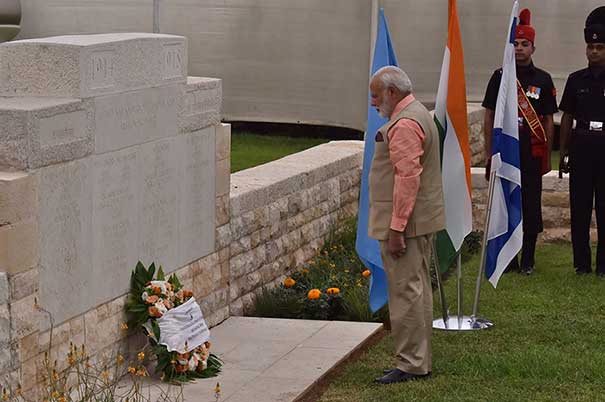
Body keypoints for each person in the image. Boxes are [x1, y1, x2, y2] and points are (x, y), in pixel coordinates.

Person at [367, 66, 445, 385]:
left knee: (405, 292)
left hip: (405, 224)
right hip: (419, 218)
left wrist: (397, 229)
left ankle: (412, 363)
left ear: (392, 92)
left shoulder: (404, 124)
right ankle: (418, 358)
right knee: (416, 289)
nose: (372, 103)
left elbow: (407, 178)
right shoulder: (417, 112)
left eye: (375, 95)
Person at [482, 8, 557, 275]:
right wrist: (490, 152)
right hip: (506, 152)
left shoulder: (543, 80)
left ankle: (528, 259)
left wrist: (546, 154)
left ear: (533, 48)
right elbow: (489, 115)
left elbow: (548, 119)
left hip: (531, 154)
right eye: (515, 43)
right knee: (506, 202)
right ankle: (508, 258)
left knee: (530, 206)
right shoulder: (500, 77)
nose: (520, 49)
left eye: (525, 44)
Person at [558, 6, 605, 277]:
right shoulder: (576, 80)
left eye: (599, 46)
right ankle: (582, 264)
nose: (594, 51)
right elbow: (567, 117)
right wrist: (564, 152)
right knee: (580, 208)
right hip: (582, 147)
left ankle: (603, 266)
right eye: (591, 46)